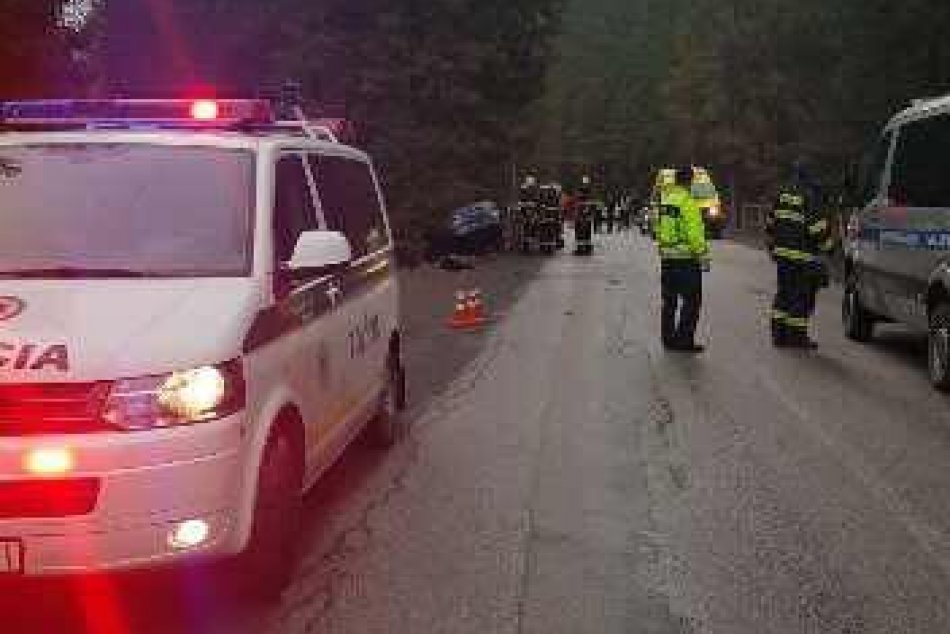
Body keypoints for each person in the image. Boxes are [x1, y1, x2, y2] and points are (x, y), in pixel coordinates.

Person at [766, 160, 834, 348]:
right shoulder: (810, 196)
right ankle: (796, 337)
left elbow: (771, 221)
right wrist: (829, 248)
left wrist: (772, 245)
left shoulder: (783, 193)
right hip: (803, 257)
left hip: (782, 255)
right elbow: (817, 228)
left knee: (784, 293)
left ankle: (779, 335)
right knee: (802, 297)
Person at [657, 165, 710, 352]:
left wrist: (663, 248)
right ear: (689, 182)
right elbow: (694, 233)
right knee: (692, 301)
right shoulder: (687, 201)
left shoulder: (666, 200)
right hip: (686, 259)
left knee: (669, 301)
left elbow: (658, 228)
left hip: (667, 259)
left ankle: (668, 338)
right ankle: (684, 340)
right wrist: (703, 255)